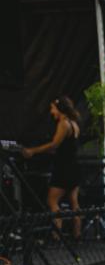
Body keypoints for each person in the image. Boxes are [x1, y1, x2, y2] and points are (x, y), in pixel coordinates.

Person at [23, 96, 81, 239]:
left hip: (64, 168)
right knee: (74, 203)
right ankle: (77, 235)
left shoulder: (63, 124)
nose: (51, 112)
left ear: (60, 109)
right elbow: (66, 147)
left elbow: (54, 144)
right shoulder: (74, 124)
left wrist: (33, 151)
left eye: (53, 108)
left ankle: (57, 235)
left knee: (52, 201)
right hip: (74, 167)